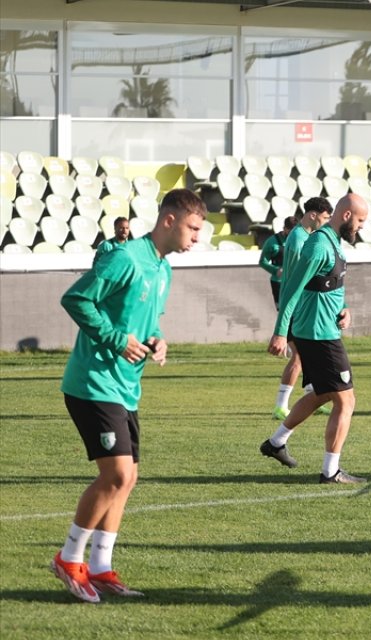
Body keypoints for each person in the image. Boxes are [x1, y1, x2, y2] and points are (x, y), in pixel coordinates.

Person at [52, 189, 205, 603]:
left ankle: (100, 567)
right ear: (169, 221)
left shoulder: (163, 269)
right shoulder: (125, 257)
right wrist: (116, 339)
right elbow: (76, 299)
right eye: (192, 228)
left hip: (125, 387)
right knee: (116, 475)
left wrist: (158, 341)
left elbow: (148, 321)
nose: (196, 238)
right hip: (93, 383)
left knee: (129, 478)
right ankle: (69, 559)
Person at [261, 193, 370, 484]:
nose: (360, 227)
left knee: (321, 393)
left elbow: (329, 286)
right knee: (346, 401)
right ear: (346, 216)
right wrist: (281, 332)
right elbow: (291, 289)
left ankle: (276, 442)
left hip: (323, 329)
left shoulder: (334, 244)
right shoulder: (318, 246)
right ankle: (330, 471)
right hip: (317, 335)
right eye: (360, 221)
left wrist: (342, 309)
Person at [268, 198, 333, 421]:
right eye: (324, 218)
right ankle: (281, 405)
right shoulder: (298, 239)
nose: (325, 224)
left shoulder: (306, 237)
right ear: (313, 215)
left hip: (301, 306)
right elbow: (295, 282)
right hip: (296, 307)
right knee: (299, 357)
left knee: (307, 356)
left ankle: (310, 396)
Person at [259, 214, 297, 309]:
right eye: (290, 231)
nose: (293, 234)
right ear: (284, 228)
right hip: (279, 283)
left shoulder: (298, 240)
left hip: (295, 281)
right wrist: (276, 270)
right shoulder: (272, 242)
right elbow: (262, 261)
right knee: (282, 311)